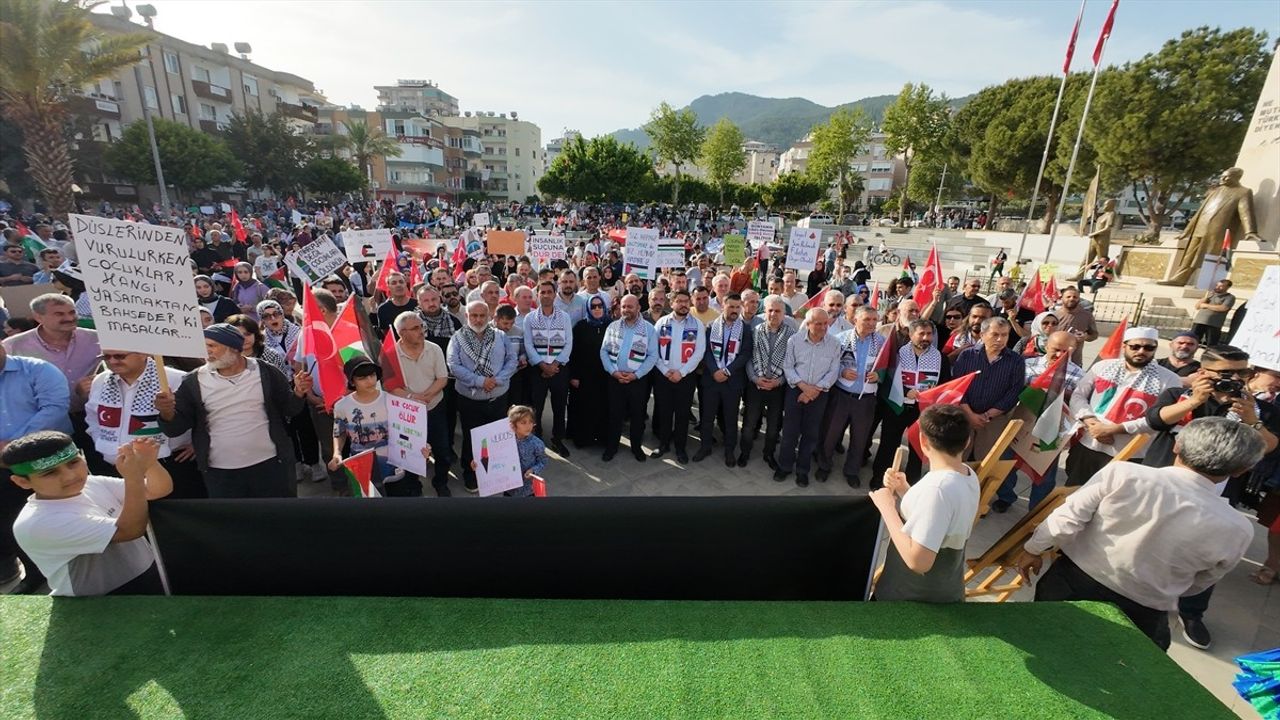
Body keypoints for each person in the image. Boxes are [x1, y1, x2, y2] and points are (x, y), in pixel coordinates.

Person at [1017, 418, 1263, 651]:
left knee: (1041, 644)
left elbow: (1065, 520)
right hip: (1145, 610)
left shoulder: (1124, 474)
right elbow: (1201, 582)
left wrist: (1033, 549)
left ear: (1177, 445)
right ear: (1242, 470)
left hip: (1071, 585)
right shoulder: (1238, 527)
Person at [1141, 345, 1280, 650]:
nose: (1236, 379)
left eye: (1243, 372)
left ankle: (1191, 613)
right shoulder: (1178, 394)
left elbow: (1269, 446)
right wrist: (1195, 401)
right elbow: (1155, 420)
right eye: (1226, 373)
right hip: (1164, 484)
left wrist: (1251, 419)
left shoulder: (1258, 408)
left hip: (1218, 495)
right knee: (1148, 541)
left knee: (1206, 554)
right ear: (1203, 371)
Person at [4, 432, 172, 596]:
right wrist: (134, 477)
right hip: (96, 600)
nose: (69, 476)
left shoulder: (91, 483)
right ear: (22, 482)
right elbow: (130, 530)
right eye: (49, 473)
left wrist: (149, 463)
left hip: (146, 575)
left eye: (73, 462)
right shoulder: (38, 523)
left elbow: (157, 490)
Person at [155, 324, 312, 498]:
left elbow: (290, 409)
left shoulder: (266, 372)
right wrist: (167, 411)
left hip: (271, 465)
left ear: (234, 349)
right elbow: (175, 428)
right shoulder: (193, 382)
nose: (207, 351)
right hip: (221, 473)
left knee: (275, 513)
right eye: (204, 346)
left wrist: (299, 393)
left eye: (212, 346)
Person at [871, 404, 980, 603]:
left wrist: (887, 508)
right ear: (967, 441)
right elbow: (937, 517)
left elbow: (918, 562)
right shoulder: (967, 474)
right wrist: (904, 489)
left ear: (923, 441)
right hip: (944, 589)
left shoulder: (937, 489)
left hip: (910, 598)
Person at [1064, 327, 1181, 485]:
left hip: (1130, 454)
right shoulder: (1102, 367)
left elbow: (1162, 418)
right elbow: (1078, 395)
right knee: (1074, 490)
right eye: (1135, 347)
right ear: (1124, 346)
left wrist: (1114, 429)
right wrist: (1091, 421)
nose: (1141, 351)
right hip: (1089, 444)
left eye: (1148, 347)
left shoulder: (1169, 379)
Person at [0, 343, 71, 593]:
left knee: (59, 516)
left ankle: (73, 570)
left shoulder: (38, 370)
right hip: (1, 465)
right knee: (11, 520)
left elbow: (55, 408)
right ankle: (34, 573)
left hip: (48, 460)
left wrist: (14, 446)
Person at [85, 351, 204, 499]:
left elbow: (205, 415)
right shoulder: (101, 380)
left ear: (142, 354)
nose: (113, 361)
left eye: (120, 356)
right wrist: (102, 442)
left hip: (169, 464)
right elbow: (92, 416)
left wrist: (197, 444)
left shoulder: (177, 378)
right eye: (106, 357)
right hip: (115, 467)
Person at [994, 331, 1084, 512]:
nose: (1059, 355)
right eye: (1055, 349)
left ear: (1073, 350)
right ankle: (1005, 497)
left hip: (1051, 431)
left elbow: (1079, 404)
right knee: (1006, 464)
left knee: (1045, 475)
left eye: (1065, 351)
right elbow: (1012, 390)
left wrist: (1062, 395)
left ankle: (1035, 511)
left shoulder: (1079, 375)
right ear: (1046, 346)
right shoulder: (1027, 365)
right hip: (1021, 424)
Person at [448, 301, 518, 493]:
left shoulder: (500, 336)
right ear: (467, 316)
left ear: (489, 317)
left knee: (496, 438)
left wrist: (497, 380)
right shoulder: (457, 338)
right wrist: (480, 381)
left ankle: (496, 473)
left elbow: (512, 360)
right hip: (470, 401)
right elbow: (453, 365)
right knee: (472, 439)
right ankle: (471, 475)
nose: (478, 320)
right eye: (474, 315)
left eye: (482, 316)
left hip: (498, 398)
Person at [386, 311, 452, 496]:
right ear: (401, 333)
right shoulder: (391, 354)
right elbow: (390, 386)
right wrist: (413, 399)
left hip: (434, 407)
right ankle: (414, 487)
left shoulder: (434, 349)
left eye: (421, 326)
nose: (421, 331)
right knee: (411, 453)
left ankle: (441, 482)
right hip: (408, 414)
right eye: (415, 328)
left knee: (442, 450)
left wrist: (425, 396)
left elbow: (442, 378)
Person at [774, 308, 841, 487]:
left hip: (819, 394)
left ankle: (802, 470)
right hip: (796, 391)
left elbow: (834, 371)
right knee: (790, 432)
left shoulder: (834, 343)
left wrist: (815, 390)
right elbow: (788, 367)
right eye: (818, 324)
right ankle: (785, 466)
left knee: (811, 434)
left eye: (825, 323)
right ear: (808, 324)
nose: (823, 327)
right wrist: (804, 388)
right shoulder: (794, 340)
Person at [818, 305, 883, 486]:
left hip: (866, 399)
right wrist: (842, 371)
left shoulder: (882, 342)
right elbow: (830, 363)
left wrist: (879, 375)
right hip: (841, 395)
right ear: (855, 320)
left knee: (860, 437)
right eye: (867, 319)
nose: (871, 323)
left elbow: (889, 366)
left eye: (874, 320)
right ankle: (824, 465)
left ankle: (852, 471)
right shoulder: (840, 339)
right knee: (830, 433)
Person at [952, 317, 1026, 467]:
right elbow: (957, 386)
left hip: (994, 420)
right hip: (963, 416)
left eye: (1004, 335)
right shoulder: (967, 356)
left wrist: (987, 415)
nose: (1000, 339)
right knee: (957, 461)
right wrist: (970, 414)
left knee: (985, 464)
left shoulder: (1016, 361)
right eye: (995, 334)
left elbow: (1014, 392)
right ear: (982, 335)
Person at [695, 293, 752, 466]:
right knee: (707, 417)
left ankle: (729, 451)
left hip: (732, 382)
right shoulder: (711, 326)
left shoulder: (745, 329)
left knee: (730, 419)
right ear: (723, 306)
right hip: (711, 380)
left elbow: (745, 354)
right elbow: (706, 351)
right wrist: (714, 371)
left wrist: (726, 371)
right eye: (731, 306)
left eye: (737, 307)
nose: (734, 310)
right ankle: (705, 447)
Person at [599, 294, 658, 463]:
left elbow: (653, 356)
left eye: (630, 306)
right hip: (615, 379)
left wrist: (636, 375)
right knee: (615, 414)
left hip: (637, 380)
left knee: (637, 415)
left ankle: (636, 447)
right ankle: (612, 447)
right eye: (623, 306)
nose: (626, 310)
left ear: (638, 307)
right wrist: (613, 372)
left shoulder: (649, 329)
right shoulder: (613, 326)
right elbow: (604, 351)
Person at [741, 295, 796, 469]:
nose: (773, 314)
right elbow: (748, 358)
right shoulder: (755, 331)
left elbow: (792, 363)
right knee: (749, 423)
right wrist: (755, 378)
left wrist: (779, 381)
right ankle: (745, 452)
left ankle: (769, 454)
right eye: (770, 310)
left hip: (778, 388)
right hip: (755, 385)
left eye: (777, 311)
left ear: (784, 314)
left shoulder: (792, 336)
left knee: (773, 426)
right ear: (764, 312)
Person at [652, 290, 705, 463]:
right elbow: (653, 349)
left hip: (685, 377)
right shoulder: (662, 323)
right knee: (664, 412)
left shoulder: (697, 325)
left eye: (686, 301)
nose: (683, 304)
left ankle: (680, 448)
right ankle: (663, 444)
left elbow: (699, 352)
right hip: (664, 376)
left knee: (682, 414)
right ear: (672, 303)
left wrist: (681, 372)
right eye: (679, 301)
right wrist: (665, 371)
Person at [524, 281, 574, 456]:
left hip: (559, 369)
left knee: (559, 406)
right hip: (538, 369)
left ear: (554, 294)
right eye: (542, 292)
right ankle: (536, 440)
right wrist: (542, 365)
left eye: (549, 292)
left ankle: (557, 439)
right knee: (536, 407)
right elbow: (528, 344)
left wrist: (554, 365)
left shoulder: (564, 317)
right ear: (537, 295)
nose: (545, 295)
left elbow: (568, 343)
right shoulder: (530, 318)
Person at [567, 295, 611, 449]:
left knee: (603, 407)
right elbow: (573, 353)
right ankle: (584, 439)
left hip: (605, 375)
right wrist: (573, 375)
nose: (597, 309)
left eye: (600, 306)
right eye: (593, 306)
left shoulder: (611, 325)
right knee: (584, 408)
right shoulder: (580, 327)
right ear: (588, 308)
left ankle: (602, 437)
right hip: (584, 377)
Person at [502, 405, 547, 497]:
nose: (528, 426)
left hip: (528, 489)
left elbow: (543, 461)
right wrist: (478, 465)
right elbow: (493, 458)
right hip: (509, 488)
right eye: (523, 423)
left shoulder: (537, 443)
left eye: (531, 422)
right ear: (513, 425)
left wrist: (533, 470)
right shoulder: (504, 442)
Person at [1054, 288, 1098, 366]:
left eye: (1075, 297)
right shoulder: (1054, 315)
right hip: (1054, 360)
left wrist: (1085, 337)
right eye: (1068, 297)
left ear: (1079, 299)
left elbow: (1094, 335)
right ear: (1062, 298)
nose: (1072, 299)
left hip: (1075, 362)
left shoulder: (1087, 316)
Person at [1191, 279, 1235, 346]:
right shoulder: (1210, 294)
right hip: (1199, 321)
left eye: (1221, 286)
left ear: (1227, 287)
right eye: (1217, 285)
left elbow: (1223, 308)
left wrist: (1206, 305)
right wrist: (1204, 299)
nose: (1217, 287)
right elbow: (1197, 306)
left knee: (1211, 344)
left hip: (1214, 324)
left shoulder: (1229, 297)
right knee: (1192, 341)